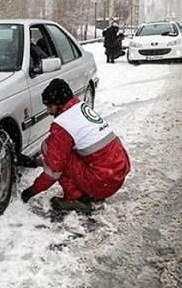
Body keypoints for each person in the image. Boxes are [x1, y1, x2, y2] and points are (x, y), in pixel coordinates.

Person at [21, 78, 131, 212]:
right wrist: (39, 163)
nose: (48, 112)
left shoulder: (63, 125)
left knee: (49, 147)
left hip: (102, 182)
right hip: (116, 175)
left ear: (60, 104)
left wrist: (31, 191)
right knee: (60, 151)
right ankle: (89, 192)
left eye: (50, 107)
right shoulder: (80, 107)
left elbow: (54, 170)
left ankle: (76, 198)